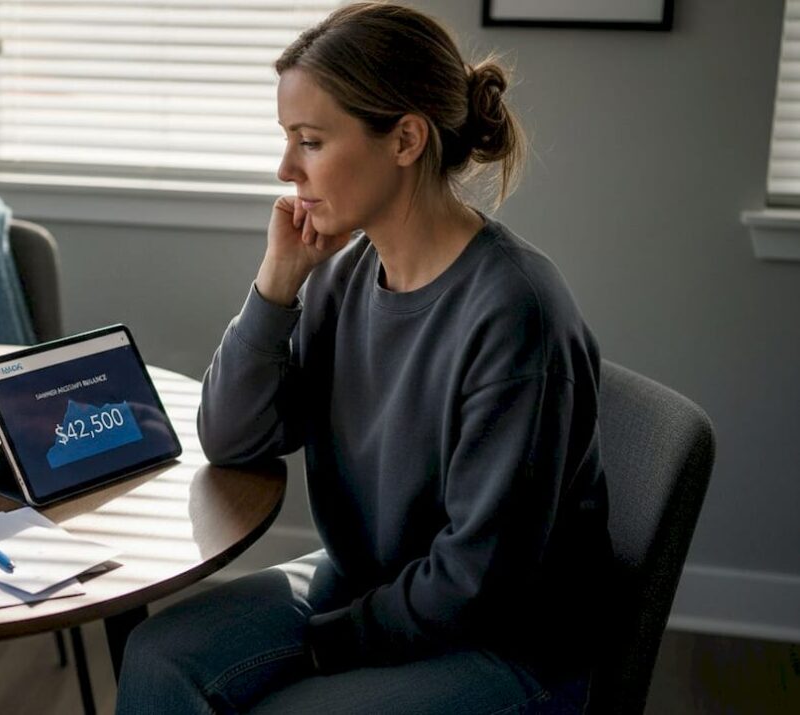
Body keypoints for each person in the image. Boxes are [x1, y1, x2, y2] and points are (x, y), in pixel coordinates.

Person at [114, 3, 610, 713]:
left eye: (310, 140)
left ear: (405, 138)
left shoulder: (514, 313)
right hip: (366, 586)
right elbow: (231, 434)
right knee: (159, 655)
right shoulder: (346, 276)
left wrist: (329, 646)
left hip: (503, 642)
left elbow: (480, 579)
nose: (286, 168)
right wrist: (276, 285)